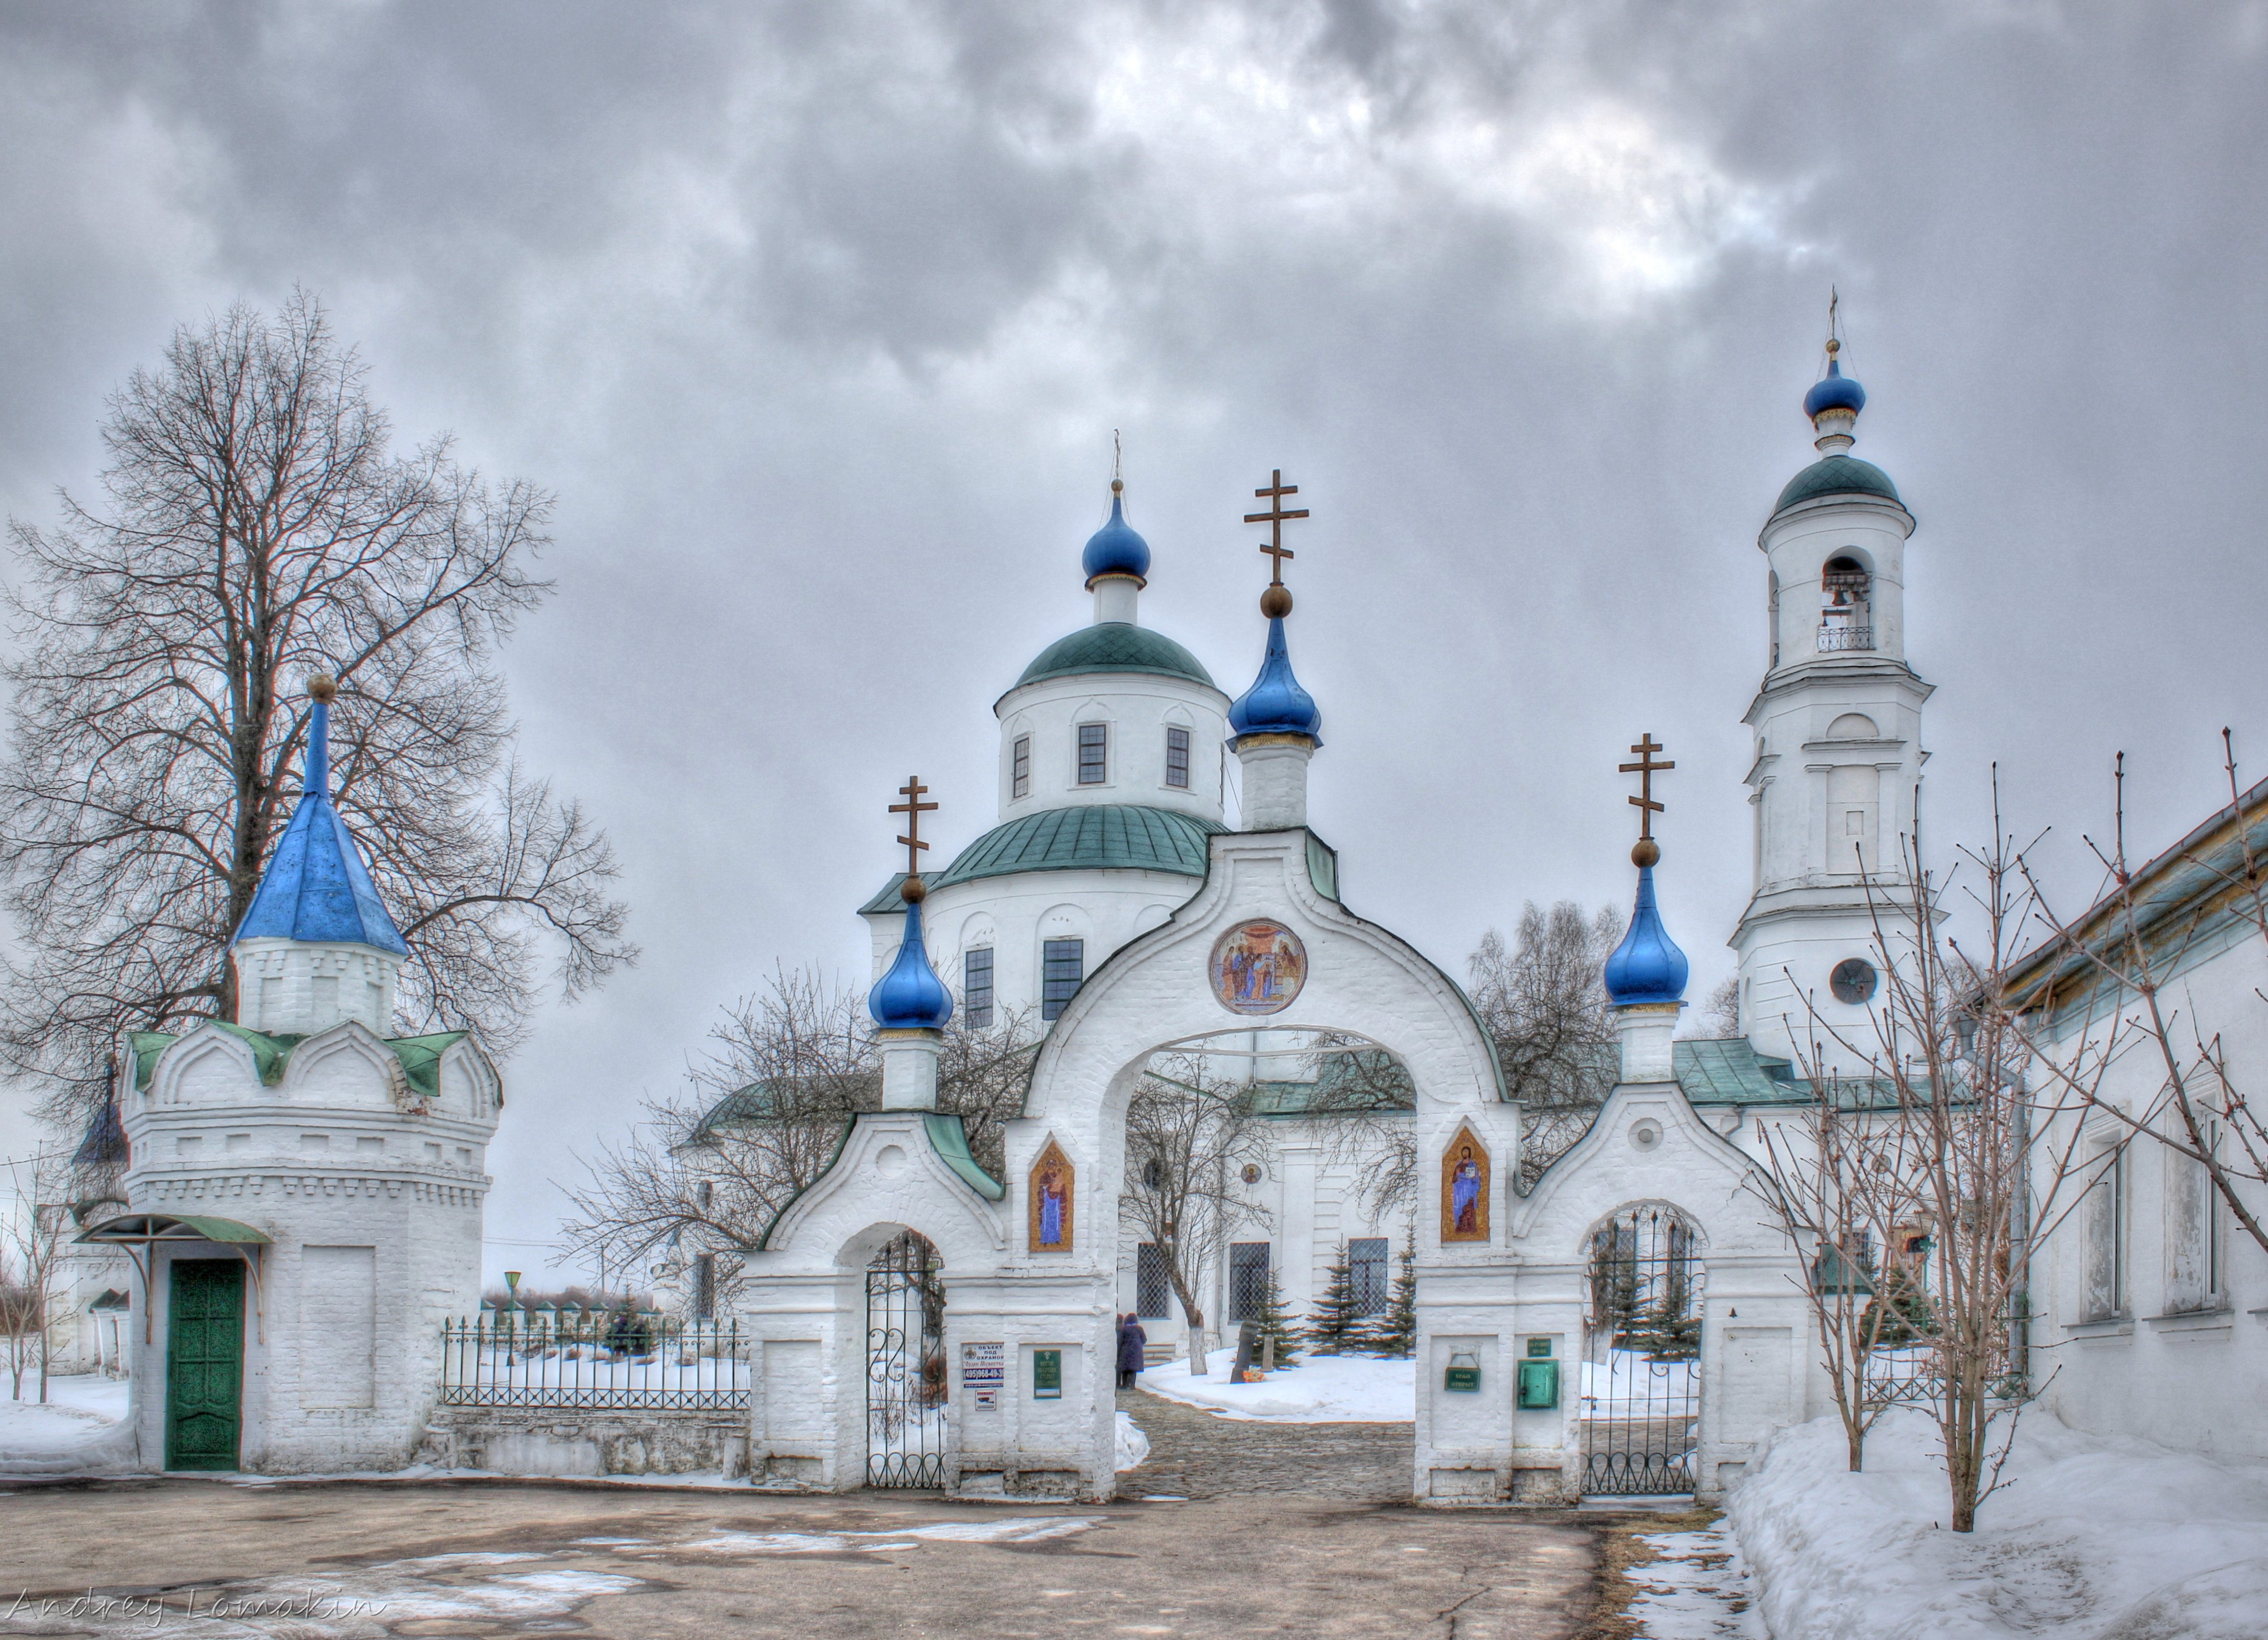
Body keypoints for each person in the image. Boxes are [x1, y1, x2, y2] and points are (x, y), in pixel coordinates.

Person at [1118, 1313, 1147, 1388]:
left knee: (1125, 1369)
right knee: (1133, 1369)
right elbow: (1144, 1340)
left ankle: (1125, 1385)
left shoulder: (1123, 1330)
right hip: (1136, 1351)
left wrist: (1119, 1350)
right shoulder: (1139, 1329)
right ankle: (1132, 1385)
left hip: (1125, 1350)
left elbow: (1120, 1340)